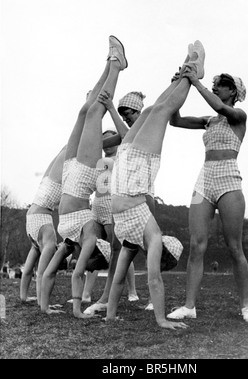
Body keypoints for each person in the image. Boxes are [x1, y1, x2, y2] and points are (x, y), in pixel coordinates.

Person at [104, 40, 206, 330]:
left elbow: (145, 279)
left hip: (129, 172)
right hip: (130, 175)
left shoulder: (137, 239)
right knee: (153, 110)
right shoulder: (143, 235)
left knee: (157, 110)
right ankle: (184, 75)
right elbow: (139, 278)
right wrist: (158, 320)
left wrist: (160, 319)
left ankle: (190, 73)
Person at [40, 35, 127, 318]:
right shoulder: (89, 235)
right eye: (86, 260)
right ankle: (114, 66)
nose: (80, 262)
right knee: (92, 114)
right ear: (92, 253)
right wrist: (77, 310)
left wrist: (44, 306)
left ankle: (114, 64)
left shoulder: (68, 242)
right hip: (82, 179)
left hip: (70, 178)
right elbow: (77, 275)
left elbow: (50, 272)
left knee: (84, 113)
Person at [167, 64, 248, 322]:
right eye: (214, 84)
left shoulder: (238, 115)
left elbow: (219, 107)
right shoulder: (209, 121)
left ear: (232, 91)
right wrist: (179, 85)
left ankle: (246, 304)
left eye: (221, 85)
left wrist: (196, 82)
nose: (216, 87)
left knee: (234, 246)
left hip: (229, 178)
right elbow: (176, 120)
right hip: (204, 179)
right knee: (196, 245)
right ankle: (189, 306)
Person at [84, 92, 151, 315]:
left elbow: (126, 136)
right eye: (122, 115)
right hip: (123, 197)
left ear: (139, 111)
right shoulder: (123, 134)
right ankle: (105, 298)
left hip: (143, 195)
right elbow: (98, 143)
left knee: (150, 247)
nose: (125, 118)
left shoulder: (144, 127)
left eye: (127, 113)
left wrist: (111, 108)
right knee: (117, 249)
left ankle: (150, 295)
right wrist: (93, 111)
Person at [78, 129, 139, 308]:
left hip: (112, 204)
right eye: (103, 140)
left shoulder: (120, 158)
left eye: (109, 140)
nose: (106, 144)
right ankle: (86, 294)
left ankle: (132, 291)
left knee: (118, 249)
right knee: (95, 249)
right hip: (97, 204)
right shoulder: (99, 161)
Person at [20, 145, 66, 305]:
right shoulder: (49, 241)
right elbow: (42, 274)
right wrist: (43, 306)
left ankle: (24, 297)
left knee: (65, 151)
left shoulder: (44, 242)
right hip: (38, 214)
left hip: (35, 213)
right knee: (67, 152)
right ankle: (41, 302)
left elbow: (27, 272)